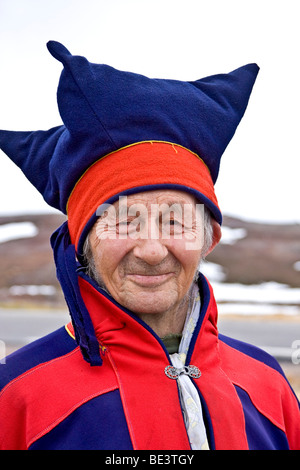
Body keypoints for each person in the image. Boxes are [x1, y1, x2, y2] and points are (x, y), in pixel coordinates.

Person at [0, 41, 299, 451]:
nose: (152, 250)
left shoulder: (268, 383)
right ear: (81, 240)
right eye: (124, 222)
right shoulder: (16, 395)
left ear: (209, 238)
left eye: (175, 221)